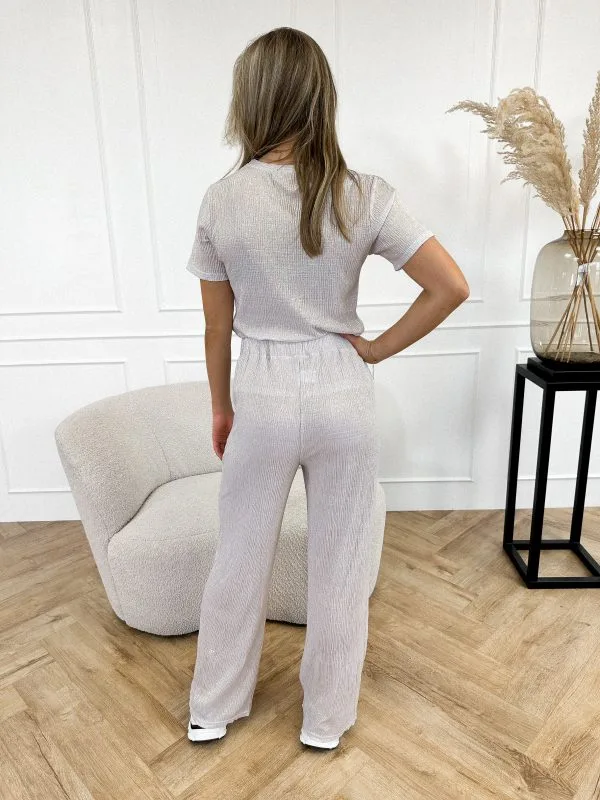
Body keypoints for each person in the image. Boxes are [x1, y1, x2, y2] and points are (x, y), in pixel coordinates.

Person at [185, 26, 469, 751]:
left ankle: (212, 708)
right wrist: (372, 348)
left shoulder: (221, 201)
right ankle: (325, 721)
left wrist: (221, 408)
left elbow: (216, 329)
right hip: (343, 392)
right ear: (321, 98)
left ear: (250, 100)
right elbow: (450, 286)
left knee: (239, 555)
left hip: (262, 392)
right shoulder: (364, 195)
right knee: (341, 563)